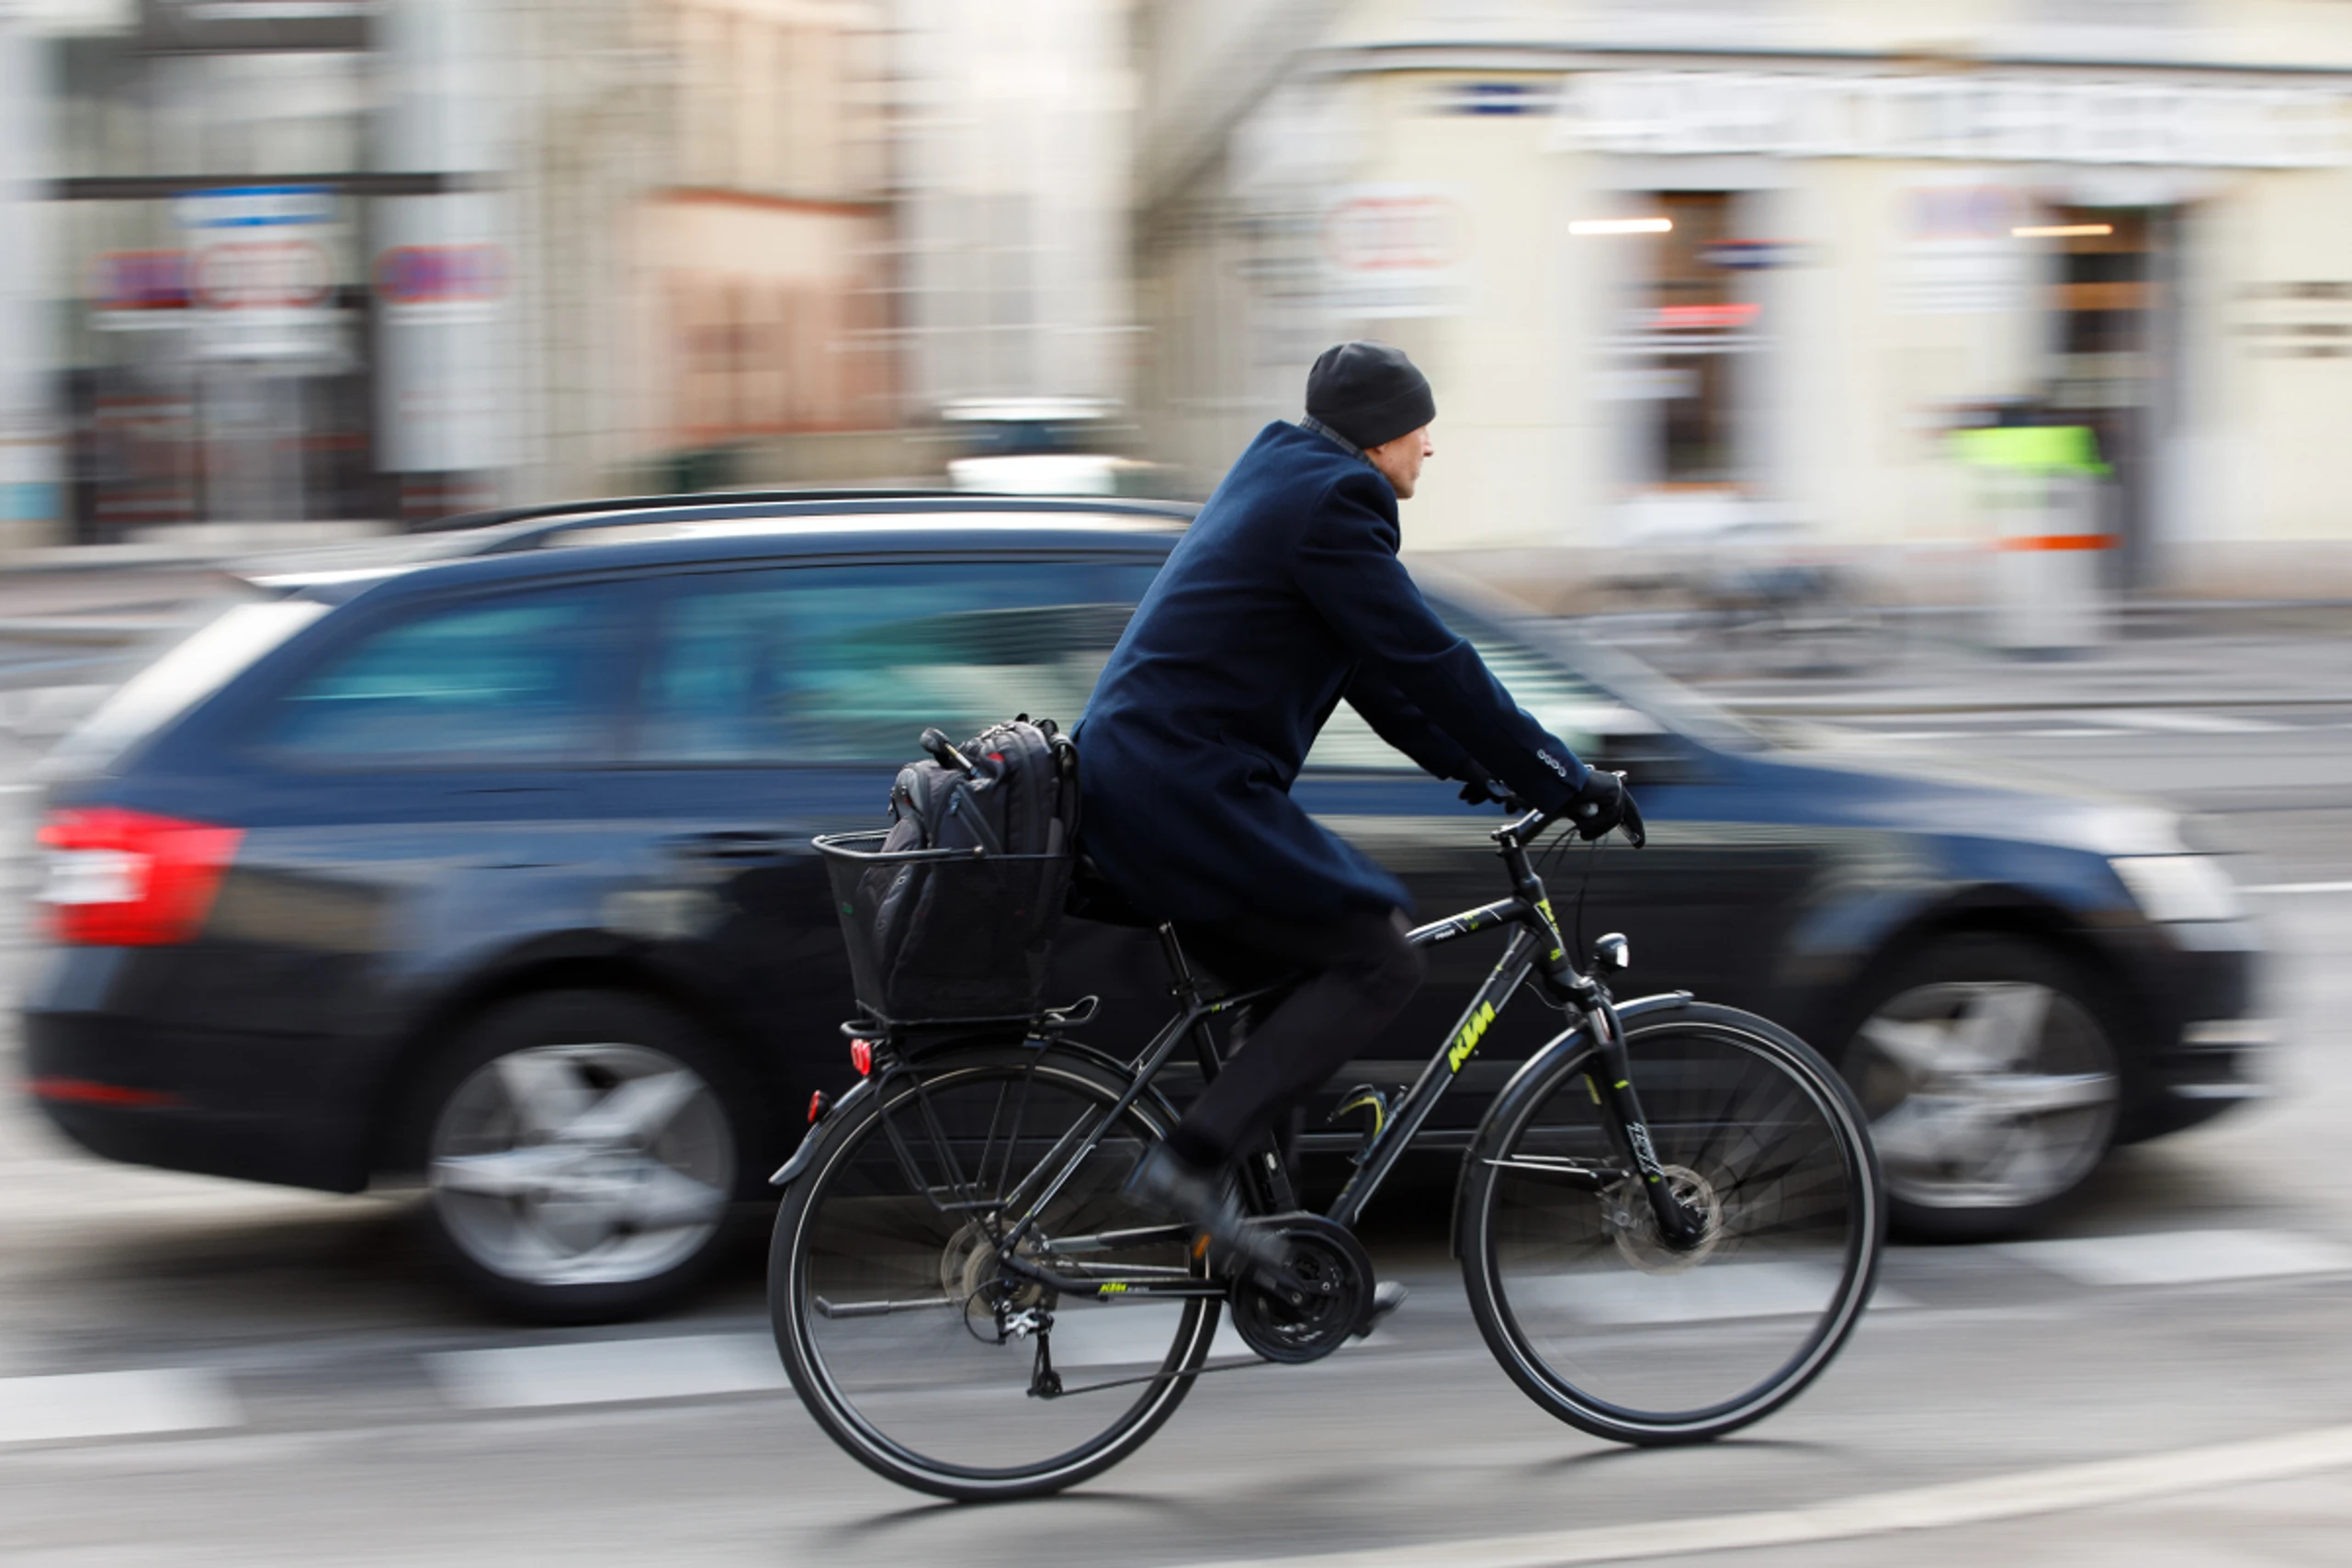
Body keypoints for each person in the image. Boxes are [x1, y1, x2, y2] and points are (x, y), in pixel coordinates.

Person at [1073, 341, 1640, 1273]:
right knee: (1377, 958)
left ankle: (1261, 1246)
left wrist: (1483, 774)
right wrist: (1561, 779)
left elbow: (1381, 682)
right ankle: (1184, 1166)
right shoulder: (1336, 504)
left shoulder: (1287, 482)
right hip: (1182, 790)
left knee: (1297, 980)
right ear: (1381, 437)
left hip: (1151, 782)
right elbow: (1433, 659)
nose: (1429, 448)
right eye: (1421, 428)